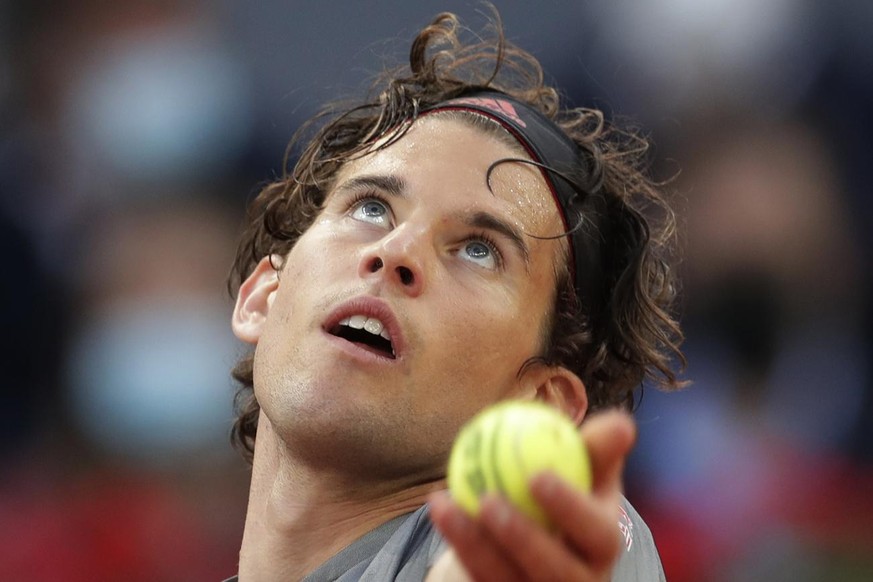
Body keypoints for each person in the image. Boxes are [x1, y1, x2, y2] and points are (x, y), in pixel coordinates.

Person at [225, 10, 684, 581]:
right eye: (371, 208)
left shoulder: (540, 539)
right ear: (263, 296)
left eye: (479, 250)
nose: (396, 252)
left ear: (539, 405)